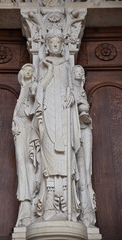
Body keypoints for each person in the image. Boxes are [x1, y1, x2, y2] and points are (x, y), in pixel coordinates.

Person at [35, 33, 81, 221]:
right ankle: (49, 207)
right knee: (49, 158)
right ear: (46, 46)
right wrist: (49, 70)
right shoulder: (43, 63)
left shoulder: (67, 65)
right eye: (52, 42)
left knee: (65, 158)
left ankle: (66, 207)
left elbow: (73, 89)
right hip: (48, 114)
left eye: (57, 42)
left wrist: (73, 96)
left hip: (63, 116)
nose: (55, 45)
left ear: (62, 46)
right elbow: (38, 89)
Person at [12, 63, 40, 226]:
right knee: (22, 165)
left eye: (31, 70)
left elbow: (36, 97)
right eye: (26, 70)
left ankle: (31, 205)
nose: (29, 72)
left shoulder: (32, 86)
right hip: (20, 129)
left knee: (30, 164)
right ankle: (25, 208)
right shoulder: (23, 88)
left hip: (30, 128)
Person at [73, 65, 96, 227]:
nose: (80, 74)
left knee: (86, 170)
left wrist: (83, 111)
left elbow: (84, 107)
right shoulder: (68, 89)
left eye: (82, 72)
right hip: (73, 132)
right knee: (79, 171)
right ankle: (82, 210)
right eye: (77, 72)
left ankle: (88, 212)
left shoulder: (81, 90)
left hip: (85, 129)